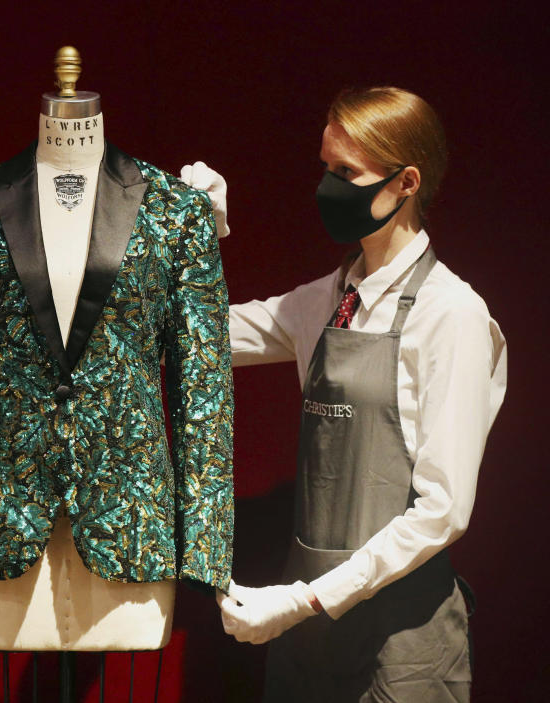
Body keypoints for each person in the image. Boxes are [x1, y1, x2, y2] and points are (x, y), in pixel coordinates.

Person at [185, 86, 506, 701]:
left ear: (406, 182)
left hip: (399, 646)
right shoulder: (330, 299)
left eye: (345, 173)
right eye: (325, 168)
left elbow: (443, 511)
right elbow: (199, 335)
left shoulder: (453, 315)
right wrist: (189, 239)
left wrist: (307, 599)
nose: (327, 188)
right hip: (309, 638)